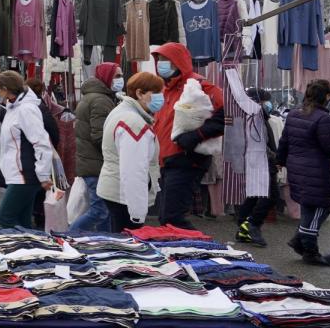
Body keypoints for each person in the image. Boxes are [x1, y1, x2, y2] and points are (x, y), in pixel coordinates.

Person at [151, 42, 224, 229]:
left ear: (178, 61)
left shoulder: (199, 86)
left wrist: (196, 135)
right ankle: (186, 251)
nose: (160, 64)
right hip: (167, 160)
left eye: (165, 60)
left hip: (186, 159)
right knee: (168, 218)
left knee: (172, 218)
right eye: (158, 60)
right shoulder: (165, 90)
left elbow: (226, 114)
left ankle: (204, 250)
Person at [276, 79, 330, 266]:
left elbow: (284, 141)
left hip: (296, 168)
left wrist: (280, 161)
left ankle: (300, 241)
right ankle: (308, 249)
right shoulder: (324, 119)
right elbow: (329, 148)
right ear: (326, 97)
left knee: (309, 206)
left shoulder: (293, 115)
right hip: (316, 170)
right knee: (322, 207)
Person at [97, 72, 164, 233]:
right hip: (124, 195)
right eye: (155, 93)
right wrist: (138, 212)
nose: (160, 97)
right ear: (140, 93)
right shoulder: (134, 122)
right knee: (127, 245)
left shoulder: (122, 112)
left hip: (116, 190)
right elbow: (134, 170)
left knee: (120, 243)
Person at [0, 71, 54, 229]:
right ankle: (27, 250)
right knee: (23, 221)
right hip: (19, 173)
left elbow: (41, 141)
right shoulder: (14, 108)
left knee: (5, 217)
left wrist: (43, 174)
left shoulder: (26, 109)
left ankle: (23, 248)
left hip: (25, 175)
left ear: (6, 89)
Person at [70, 62, 122, 233]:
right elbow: (100, 136)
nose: (121, 80)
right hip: (97, 164)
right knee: (100, 211)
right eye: (117, 76)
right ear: (107, 77)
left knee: (103, 213)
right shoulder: (101, 100)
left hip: (92, 162)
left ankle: (105, 241)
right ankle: (69, 236)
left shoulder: (95, 97)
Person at [235, 88, 281, 247]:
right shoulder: (256, 117)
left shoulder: (253, 116)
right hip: (263, 161)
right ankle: (253, 225)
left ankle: (242, 226)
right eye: (264, 101)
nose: (266, 104)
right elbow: (261, 142)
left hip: (257, 160)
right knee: (271, 195)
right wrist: (275, 157)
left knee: (254, 194)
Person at [25, 77, 60, 228]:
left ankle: (37, 218)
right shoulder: (40, 105)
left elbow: (52, 131)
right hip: (36, 153)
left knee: (37, 188)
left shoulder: (37, 106)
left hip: (35, 153)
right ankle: (37, 217)